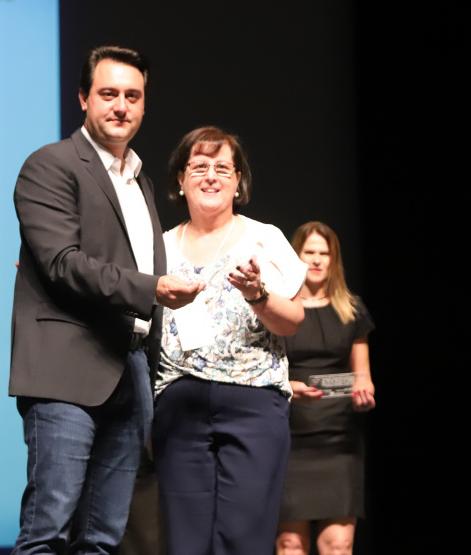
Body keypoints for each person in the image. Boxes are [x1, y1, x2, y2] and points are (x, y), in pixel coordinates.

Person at [8, 46, 203, 555]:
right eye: (109, 93)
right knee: (48, 533)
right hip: (66, 369)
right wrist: (152, 289)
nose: (121, 106)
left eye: (132, 96)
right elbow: (62, 262)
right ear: (83, 98)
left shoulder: (139, 180)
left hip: (130, 367)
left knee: (102, 539)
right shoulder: (50, 165)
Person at [152, 126, 308, 555]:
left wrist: (258, 294)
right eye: (199, 166)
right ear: (180, 179)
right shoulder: (157, 249)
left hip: (253, 402)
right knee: (185, 542)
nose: (211, 176)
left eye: (223, 168)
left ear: (238, 180)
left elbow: (293, 322)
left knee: (245, 539)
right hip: (180, 405)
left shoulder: (265, 238)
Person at [275, 221, 375, 555]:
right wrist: (289, 386)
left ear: (334, 260)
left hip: (339, 441)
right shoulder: (278, 308)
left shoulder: (352, 308)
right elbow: (263, 372)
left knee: (338, 545)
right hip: (290, 437)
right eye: (310, 252)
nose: (317, 260)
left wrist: (364, 393)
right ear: (297, 256)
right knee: (290, 544)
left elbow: (362, 375)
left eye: (324, 253)